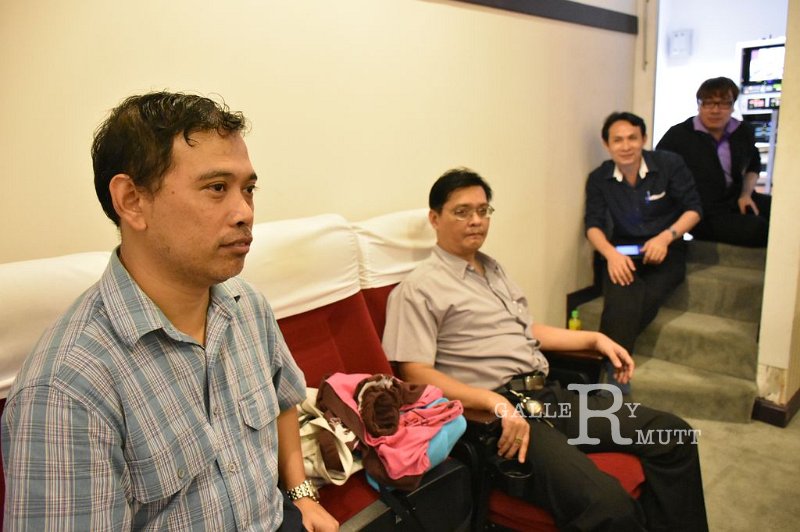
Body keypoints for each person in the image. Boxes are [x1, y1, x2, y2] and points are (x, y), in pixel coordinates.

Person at [1, 92, 338, 531]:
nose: (245, 212)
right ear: (132, 200)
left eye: (248, 189)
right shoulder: (66, 390)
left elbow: (283, 401)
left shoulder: (247, 306)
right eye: (217, 188)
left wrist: (301, 495)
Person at [382, 168, 708, 531]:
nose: (476, 220)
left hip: (547, 397)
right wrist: (494, 402)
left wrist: (595, 339)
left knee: (674, 435)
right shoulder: (418, 289)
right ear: (434, 218)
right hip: (501, 418)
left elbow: (527, 331)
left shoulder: (492, 269)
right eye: (462, 212)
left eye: (483, 210)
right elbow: (415, 373)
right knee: (610, 505)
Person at [585, 112, 702, 393]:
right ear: (607, 144)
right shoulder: (599, 178)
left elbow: (694, 209)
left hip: (667, 245)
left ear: (644, 139)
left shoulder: (669, 164)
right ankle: (617, 376)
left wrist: (665, 237)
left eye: (632, 138)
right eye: (618, 140)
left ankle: (607, 370)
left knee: (643, 297)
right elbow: (593, 225)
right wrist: (611, 255)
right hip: (623, 249)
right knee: (621, 295)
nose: (626, 146)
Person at [656, 76, 770, 247]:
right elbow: (659, 173)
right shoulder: (678, 135)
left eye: (724, 104)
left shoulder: (743, 131)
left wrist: (745, 194)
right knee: (759, 229)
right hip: (702, 211)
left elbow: (753, 163)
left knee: (783, 212)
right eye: (708, 103)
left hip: (736, 197)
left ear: (733, 106)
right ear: (699, 105)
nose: (715, 110)